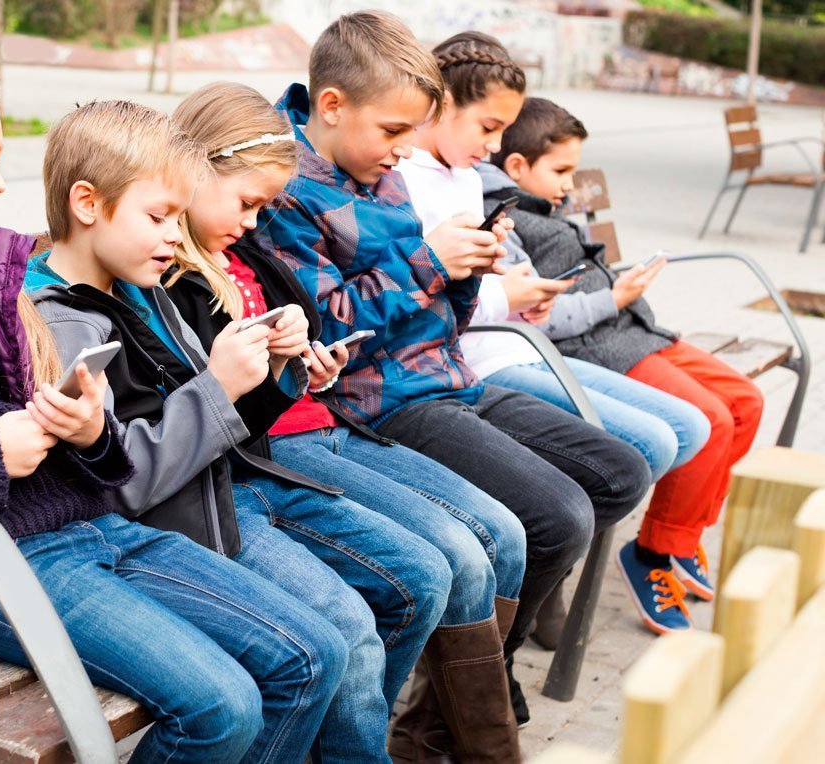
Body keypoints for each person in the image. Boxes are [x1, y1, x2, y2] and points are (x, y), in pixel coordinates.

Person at [0, 43, 345, 764]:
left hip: (90, 527)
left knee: (312, 656)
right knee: (219, 708)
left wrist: (88, 428)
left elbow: (92, 455)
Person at [254, 14, 653, 752]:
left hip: (445, 372)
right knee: (552, 516)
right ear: (333, 106)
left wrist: (468, 268)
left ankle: (451, 709)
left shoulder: (381, 168)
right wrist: (430, 266)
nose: (404, 150)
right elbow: (330, 331)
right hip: (374, 402)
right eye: (394, 130)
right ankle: (460, 720)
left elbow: (431, 313)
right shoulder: (284, 187)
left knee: (618, 471)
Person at [165, 79, 529, 763]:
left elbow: (371, 323)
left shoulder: (249, 252)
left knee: (492, 539)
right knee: (413, 582)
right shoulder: (175, 270)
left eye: (263, 207)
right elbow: (201, 415)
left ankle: (436, 742)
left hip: (336, 418)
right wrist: (423, 266)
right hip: (278, 451)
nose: (254, 220)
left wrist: (308, 364)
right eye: (248, 204)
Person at [400, 38, 711, 648]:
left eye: (503, 131)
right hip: (477, 359)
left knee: (679, 433)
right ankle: (530, 606)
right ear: (439, 104)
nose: (492, 148)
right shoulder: (402, 176)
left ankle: (546, 582)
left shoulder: (465, 178)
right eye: (489, 128)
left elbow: (462, 290)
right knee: (637, 450)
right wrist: (505, 295)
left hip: (515, 344)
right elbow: (426, 303)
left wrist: (512, 290)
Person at [483, 96, 764, 634]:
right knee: (713, 419)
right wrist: (613, 296)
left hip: (635, 329)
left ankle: (684, 534)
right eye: (560, 170)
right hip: (598, 344)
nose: (569, 182)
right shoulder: (506, 218)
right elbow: (543, 311)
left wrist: (623, 291)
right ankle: (656, 552)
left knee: (747, 401)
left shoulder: (544, 206)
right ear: (517, 166)